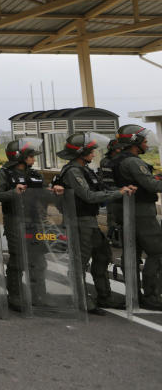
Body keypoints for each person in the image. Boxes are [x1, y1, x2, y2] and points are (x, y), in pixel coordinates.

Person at [53, 133, 133, 314]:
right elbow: (88, 196)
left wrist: (121, 189)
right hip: (79, 222)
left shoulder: (84, 169)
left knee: (103, 254)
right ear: (81, 153)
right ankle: (81, 300)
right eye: (90, 151)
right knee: (79, 262)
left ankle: (105, 296)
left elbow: (100, 189)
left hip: (89, 220)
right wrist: (118, 193)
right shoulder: (73, 171)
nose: (94, 154)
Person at [0, 137, 55, 312]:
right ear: (19, 156)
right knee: (18, 259)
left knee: (38, 259)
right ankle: (15, 296)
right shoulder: (4, 174)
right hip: (15, 219)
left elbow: (44, 195)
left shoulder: (35, 174)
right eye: (30, 156)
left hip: (35, 220)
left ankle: (39, 295)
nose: (33, 159)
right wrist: (14, 192)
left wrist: (54, 192)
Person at [112, 124, 162, 310]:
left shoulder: (116, 160)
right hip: (141, 212)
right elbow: (151, 186)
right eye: (145, 141)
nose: (147, 144)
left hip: (126, 212)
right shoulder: (133, 162)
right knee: (158, 252)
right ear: (136, 142)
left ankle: (133, 296)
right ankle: (152, 296)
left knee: (131, 255)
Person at [100, 139, 123, 247]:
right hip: (112, 193)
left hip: (120, 193)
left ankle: (119, 238)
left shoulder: (120, 160)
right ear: (113, 150)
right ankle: (113, 239)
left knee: (120, 217)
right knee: (113, 217)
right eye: (119, 148)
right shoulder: (106, 162)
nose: (121, 150)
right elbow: (109, 182)